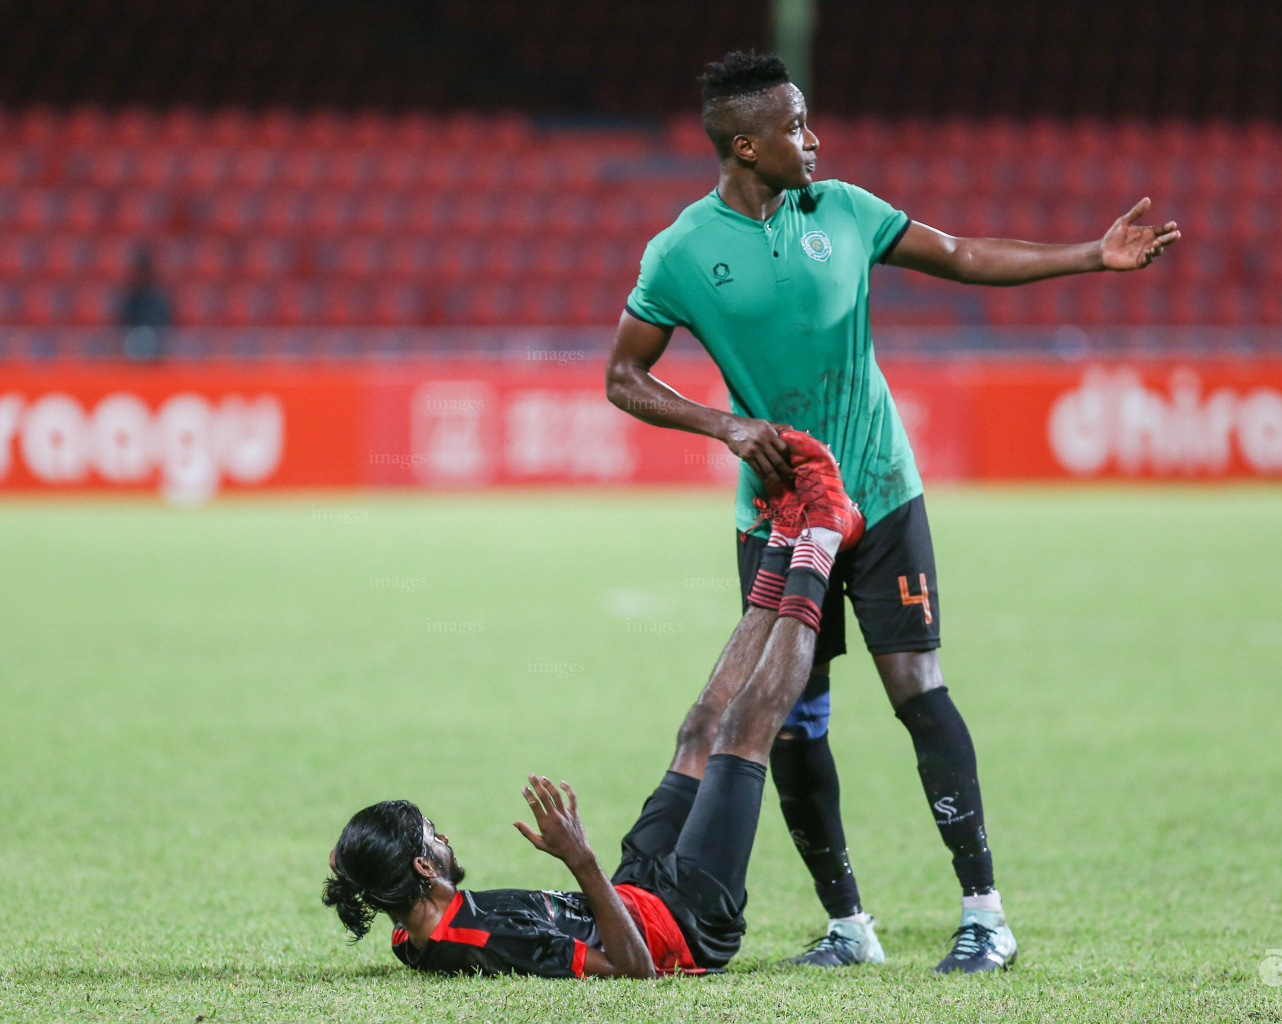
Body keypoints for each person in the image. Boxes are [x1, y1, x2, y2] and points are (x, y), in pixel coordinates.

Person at [604, 51, 1180, 973]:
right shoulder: (679, 252)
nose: (812, 138)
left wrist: (1090, 257)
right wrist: (722, 423)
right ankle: (848, 926)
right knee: (788, 715)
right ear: (745, 145)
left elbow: (958, 255)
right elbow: (622, 377)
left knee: (917, 690)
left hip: (879, 491)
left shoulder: (843, 209)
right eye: (795, 127)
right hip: (781, 515)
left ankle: (984, 915)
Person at [323, 434, 862, 978]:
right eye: (432, 836)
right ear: (422, 866)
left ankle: (785, 532)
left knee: (698, 730)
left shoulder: (408, 931)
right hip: (686, 921)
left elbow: (362, 876)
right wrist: (578, 857)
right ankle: (821, 535)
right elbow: (634, 973)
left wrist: (349, 863)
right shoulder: (481, 939)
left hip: (635, 891)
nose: (443, 839)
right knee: (741, 731)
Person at [118, 247, 173, 360]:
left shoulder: (158, 294)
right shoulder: (131, 294)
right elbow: (124, 318)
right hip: (132, 338)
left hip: (157, 337)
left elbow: (165, 317)